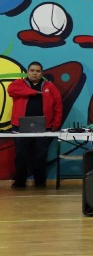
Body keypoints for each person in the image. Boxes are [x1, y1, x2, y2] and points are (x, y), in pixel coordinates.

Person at [8, 61, 63, 189]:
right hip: (20, 126)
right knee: (21, 155)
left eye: (38, 71)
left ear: (41, 73)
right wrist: (32, 92)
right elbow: (11, 90)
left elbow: (58, 105)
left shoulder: (50, 86)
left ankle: (40, 182)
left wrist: (56, 124)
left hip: (43, 126)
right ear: (27, 72)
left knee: (40, 155)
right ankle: (19, 182)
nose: (35, 73)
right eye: (32, 70)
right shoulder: (19, 83)